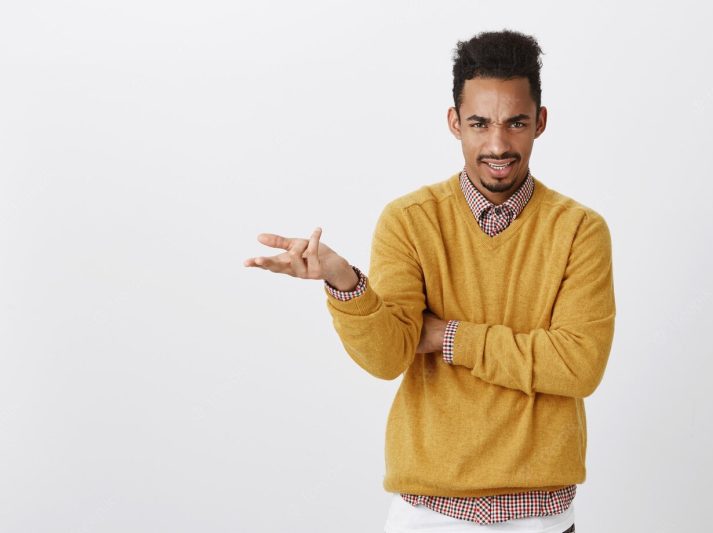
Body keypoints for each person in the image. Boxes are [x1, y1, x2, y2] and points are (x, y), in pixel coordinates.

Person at [244, 29, 615, 533]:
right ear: (454, 123)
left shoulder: (579, 231)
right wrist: (346, 282)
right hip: (429, 516)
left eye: (516, 123)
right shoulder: (409, 221)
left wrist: (448, 336)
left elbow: (578, 366)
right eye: (480, 124)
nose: (498, 144)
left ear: (540, 123)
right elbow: (389, 355)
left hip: (542, 519)